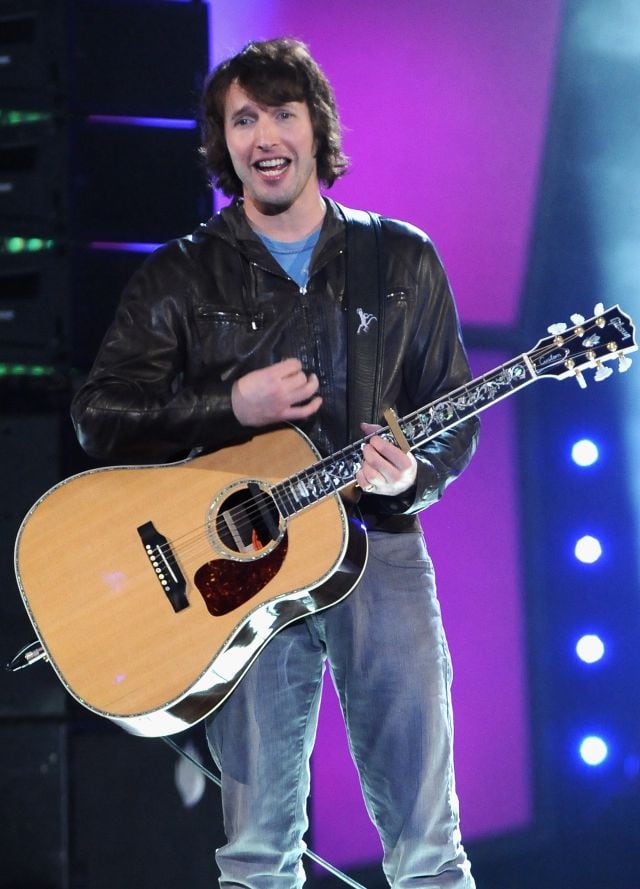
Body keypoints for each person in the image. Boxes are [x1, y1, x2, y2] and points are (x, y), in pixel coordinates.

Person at [71, 37, 479, 889]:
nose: (264, 135)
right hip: (238, 573)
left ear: (315, 127)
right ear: (222, 142)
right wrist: (231, 407)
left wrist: (415, 475)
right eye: (243, 118)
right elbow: (100, 417)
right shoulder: (180, 275)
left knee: (429, 848)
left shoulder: (401, 258)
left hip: (381, 549)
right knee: (258, 855)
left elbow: (451, 408)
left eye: (282, 113)